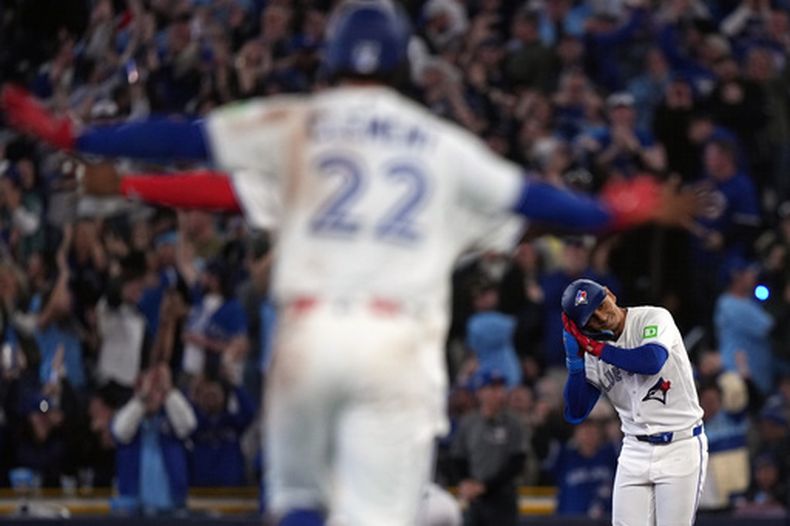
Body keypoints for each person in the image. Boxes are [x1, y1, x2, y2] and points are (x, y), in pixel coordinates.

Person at [1, 2, 703, 524]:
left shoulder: (304, 121)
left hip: (308, 335)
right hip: (396, 348)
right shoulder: (439, 147)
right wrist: (617, 209)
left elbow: (199, 156)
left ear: (332, 61)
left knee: (300, 502)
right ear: (403, 69)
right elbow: (538, 200)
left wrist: (88, 143)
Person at [561, 278, 708, 526]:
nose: (601, 315)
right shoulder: (594, 351)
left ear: (610, 294)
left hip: (680, 444)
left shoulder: (652, 317)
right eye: (591, 318)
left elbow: (651, 361)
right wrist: (575, 364)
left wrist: (596, 350)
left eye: (601, 303)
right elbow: (576, 412)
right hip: (634, 449)